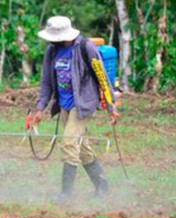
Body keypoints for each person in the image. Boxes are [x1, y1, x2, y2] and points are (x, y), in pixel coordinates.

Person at [33, 16, 120, 204]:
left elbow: (102, 76)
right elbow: (46, 82)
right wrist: (40, 107)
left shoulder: (85, 48)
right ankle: (102, 184)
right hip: (64, 105)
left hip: (83, 104)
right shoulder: (51, 51)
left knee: (69, 143)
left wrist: (110, 104)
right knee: (81, 148)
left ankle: (65, 194)